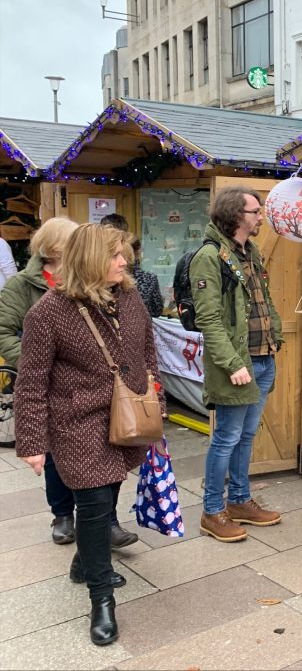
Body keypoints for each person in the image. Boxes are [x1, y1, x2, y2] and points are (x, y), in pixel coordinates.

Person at [14, 224, 165, 646]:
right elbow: (30, 384)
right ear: (90, 261)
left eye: (124, 254)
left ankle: (84, 561)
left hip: (127, 419)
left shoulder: (131, 298)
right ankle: (102, 599)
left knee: (109, 494)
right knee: (96, 505)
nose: (124, 262)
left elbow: (148, 354)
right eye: (115, 256)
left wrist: (157, 405)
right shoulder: (47, 313)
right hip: (77, 426)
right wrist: (32, 442)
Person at [0, 218, 139, 554]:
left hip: (99, 394)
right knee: (56, 458)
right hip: (59, 395)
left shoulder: (115, 290)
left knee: (103, 470)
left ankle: (102, 525)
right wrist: (41, 361)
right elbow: (6, 332)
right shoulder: (24, 287)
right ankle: (63, 514)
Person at [192, 187, 283, 542]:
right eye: (255, 212)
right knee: (226, 437)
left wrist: (276, 336)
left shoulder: (251, 251)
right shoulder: (209, 256)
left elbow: (264, 299)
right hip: (238, 364)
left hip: (263, 357)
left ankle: (241, 500)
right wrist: (232, 363)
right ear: (235, 215)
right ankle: (212, 511)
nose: (261, 217)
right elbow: (209, 319)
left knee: (246, 435)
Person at [130, 237, 164, 318]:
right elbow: (157, 311)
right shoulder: (149, 278)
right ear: (139, 252)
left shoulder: (110, 278)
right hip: (142, 327)